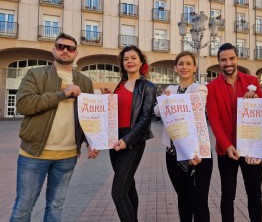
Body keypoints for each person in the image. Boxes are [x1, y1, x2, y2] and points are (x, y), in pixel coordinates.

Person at [10, 32, 99, 221]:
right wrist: (63, 94)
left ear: (76, 53)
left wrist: (92, 141)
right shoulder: (36, 74)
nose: (65, 50)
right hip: (34, 154)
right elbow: (24, 104)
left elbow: (88, 117)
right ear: (54, 49)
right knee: (24, 206)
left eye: (70, 48)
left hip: (67, 156)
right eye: (60, 46)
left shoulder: (85, 81)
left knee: (56, 206)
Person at [206, 43, 262, 222]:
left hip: (251, 148)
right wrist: (227, 145)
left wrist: (256, 100)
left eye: (231, 58)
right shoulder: (212, 87)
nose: (228, 63)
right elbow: (214, 121)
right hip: (227, 150)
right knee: (227, 194)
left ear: (237, 59)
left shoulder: (251, 81)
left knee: (254, 193)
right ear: (219, 62)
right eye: (223, 60)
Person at [154, 51, 213, 222]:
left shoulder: (199, 88)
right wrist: (165, 100)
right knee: (183, 198)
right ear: (175, 68)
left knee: (199, 202)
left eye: (188, 63)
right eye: (181, 64)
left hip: (196, 153)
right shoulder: (170, 90)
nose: (184, 67)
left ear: (195, 68)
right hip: (173, 154)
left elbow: (196, 106)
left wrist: (170, 102)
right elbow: (157, 111)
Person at [101, 45, 157, 222]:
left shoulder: (147, 86)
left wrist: (127, 140)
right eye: (126, 59)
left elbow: (145, 118)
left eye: (133, 58)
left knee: (118, 193)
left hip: (133, 141)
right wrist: (109, 98)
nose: (130, 61)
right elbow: (117, 111)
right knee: (128, 187)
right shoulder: (120, 85)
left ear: (141, 62)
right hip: (114, 139)